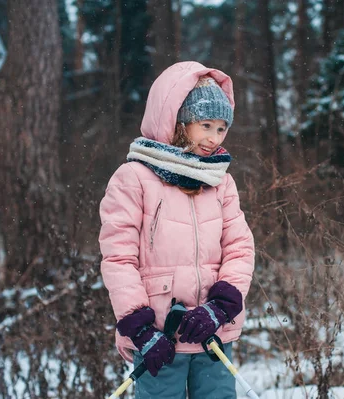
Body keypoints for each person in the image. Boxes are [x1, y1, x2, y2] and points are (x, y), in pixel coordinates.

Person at [99, 61, 255, 399]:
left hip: (213, 333)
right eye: (206, 125)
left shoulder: (220, 182)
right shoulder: (133, 179)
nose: (214, 138)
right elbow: (119, 258)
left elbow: (240, 248)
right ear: (178, 122)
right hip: (159, 339)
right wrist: (141, 330)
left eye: (222, 128)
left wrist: (219, 307)